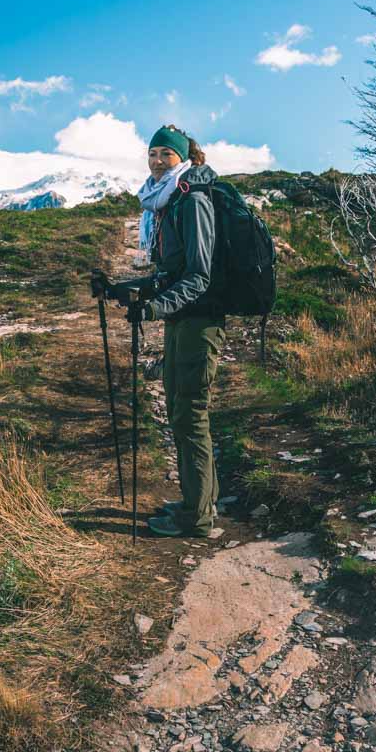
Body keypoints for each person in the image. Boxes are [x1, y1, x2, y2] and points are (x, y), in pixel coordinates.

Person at [134, 125, 225, 539]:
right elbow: (172, 270)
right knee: (179, 408)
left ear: (182, 158)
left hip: (199, 321)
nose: (156, 161)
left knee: (190, 415)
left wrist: (155, 307)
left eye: (165, 155)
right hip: (183, 320)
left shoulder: (192, 202)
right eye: (152, 153)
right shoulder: (166, 202)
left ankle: (197, 517)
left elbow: (199, 275)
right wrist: (128, 291)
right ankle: (200, 500)